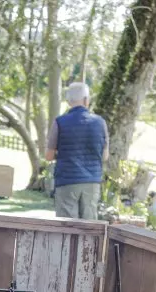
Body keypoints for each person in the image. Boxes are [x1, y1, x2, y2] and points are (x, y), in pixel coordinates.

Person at [45, 82, 108, 220]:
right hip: (92, 182)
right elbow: (104, 156)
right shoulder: (100, 123)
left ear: (68, 101)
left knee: (67, 227)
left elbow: (49, 156)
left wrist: (62, 153)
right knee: (89, 228)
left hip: (67, 181)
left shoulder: (59, 122)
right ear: (86, 100)